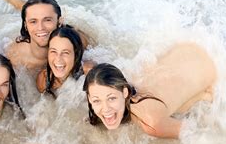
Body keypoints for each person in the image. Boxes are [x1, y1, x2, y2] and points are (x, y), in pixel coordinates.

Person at [83, 43, 216, 138]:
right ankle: (201, 95)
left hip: (212, 65)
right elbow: (91, 68)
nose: (105, 109)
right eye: (97, 101)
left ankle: (204, 94)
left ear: (125, 93)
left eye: (111, 98)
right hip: (186, 47)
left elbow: (198, 133)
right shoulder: (119, 80)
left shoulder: (151, 124)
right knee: (176, 105)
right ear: (89, 98)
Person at [36, 26, 85, 95]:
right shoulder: (44, 80)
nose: (58, 59)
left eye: (65, 52)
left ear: (76, 55)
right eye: (53, 51)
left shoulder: (87, 74)